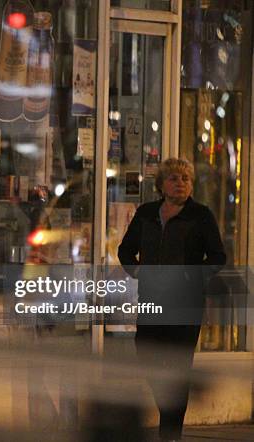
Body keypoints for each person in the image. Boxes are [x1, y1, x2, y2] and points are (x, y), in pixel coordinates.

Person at [118, 158, 226, 441]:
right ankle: (169, 413)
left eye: (186, 179)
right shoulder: (146, 213)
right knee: (146, 352)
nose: (181, 183)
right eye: (174, 178)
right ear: (161, 184)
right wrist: (137, 269)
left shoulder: (201, 216)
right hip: (151, 301)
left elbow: (217, 257)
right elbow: (125, 250)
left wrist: (190, 276)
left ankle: (170, 433)